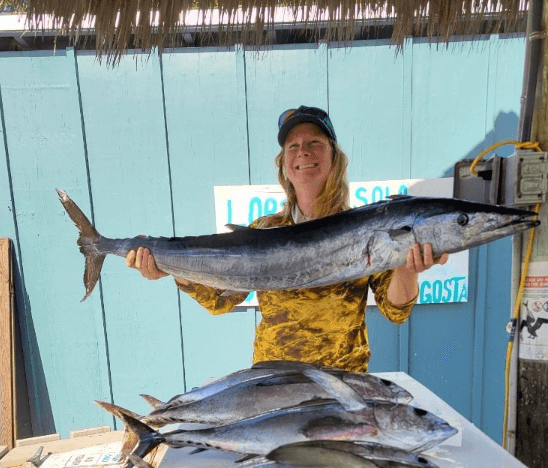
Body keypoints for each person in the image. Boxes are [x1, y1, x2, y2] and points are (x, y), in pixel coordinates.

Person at [127, 106, 448, 371]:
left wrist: (408, 268)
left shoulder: (364, 227)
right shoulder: (265, 228)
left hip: (344, 381)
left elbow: (395, 312)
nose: (303, 152)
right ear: (284, 164)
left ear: (334, 157)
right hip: (273, 381)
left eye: (314, 143)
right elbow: (222, 300)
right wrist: (171, 269)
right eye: (292, 146)